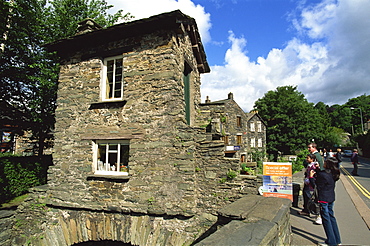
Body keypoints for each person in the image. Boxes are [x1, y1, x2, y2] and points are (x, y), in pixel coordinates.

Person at [309, 157, 341, 246]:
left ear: (328, 164)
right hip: (331, 198)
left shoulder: (323, 175)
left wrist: (311, 177)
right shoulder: (334, 173)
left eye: (325, 162)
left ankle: (331, 242)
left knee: (326, 220)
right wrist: (318, 169)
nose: (324, 163)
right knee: (332, 218)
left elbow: (316, 186)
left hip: (323, 198)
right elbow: (323, 175)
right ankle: (337, 240)